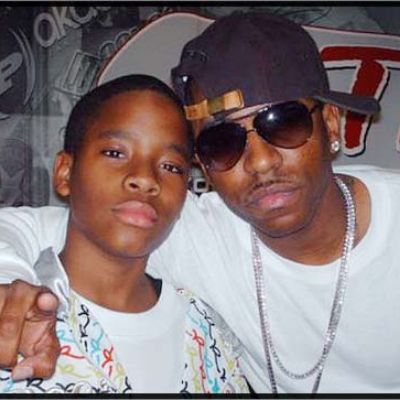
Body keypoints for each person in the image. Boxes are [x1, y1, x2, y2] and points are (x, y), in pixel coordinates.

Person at [0, 11, 398, 394]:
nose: (260, 162)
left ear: (330, 124)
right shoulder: (193, 232)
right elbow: (49, 227)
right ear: (203, 167)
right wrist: (7, 280)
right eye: (222, 143)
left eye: (284, 123)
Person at [0, 74, 248, 394]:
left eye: (171, 166)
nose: (145, 179)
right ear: (64, 172)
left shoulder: (206, 331)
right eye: (115, 153)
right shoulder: (14, 313)